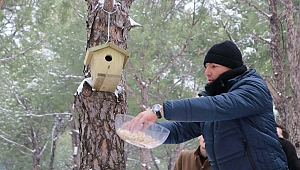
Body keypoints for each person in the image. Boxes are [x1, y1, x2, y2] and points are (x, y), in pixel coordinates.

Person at [132, 40, 288, 169]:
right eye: (206, 67)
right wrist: (144, 131)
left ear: (231, 67)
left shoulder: (253, 88)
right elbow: (181, 129)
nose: (207, 72)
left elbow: (217, 107)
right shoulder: (214, 99)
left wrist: (161, 110)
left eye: (214, 66)